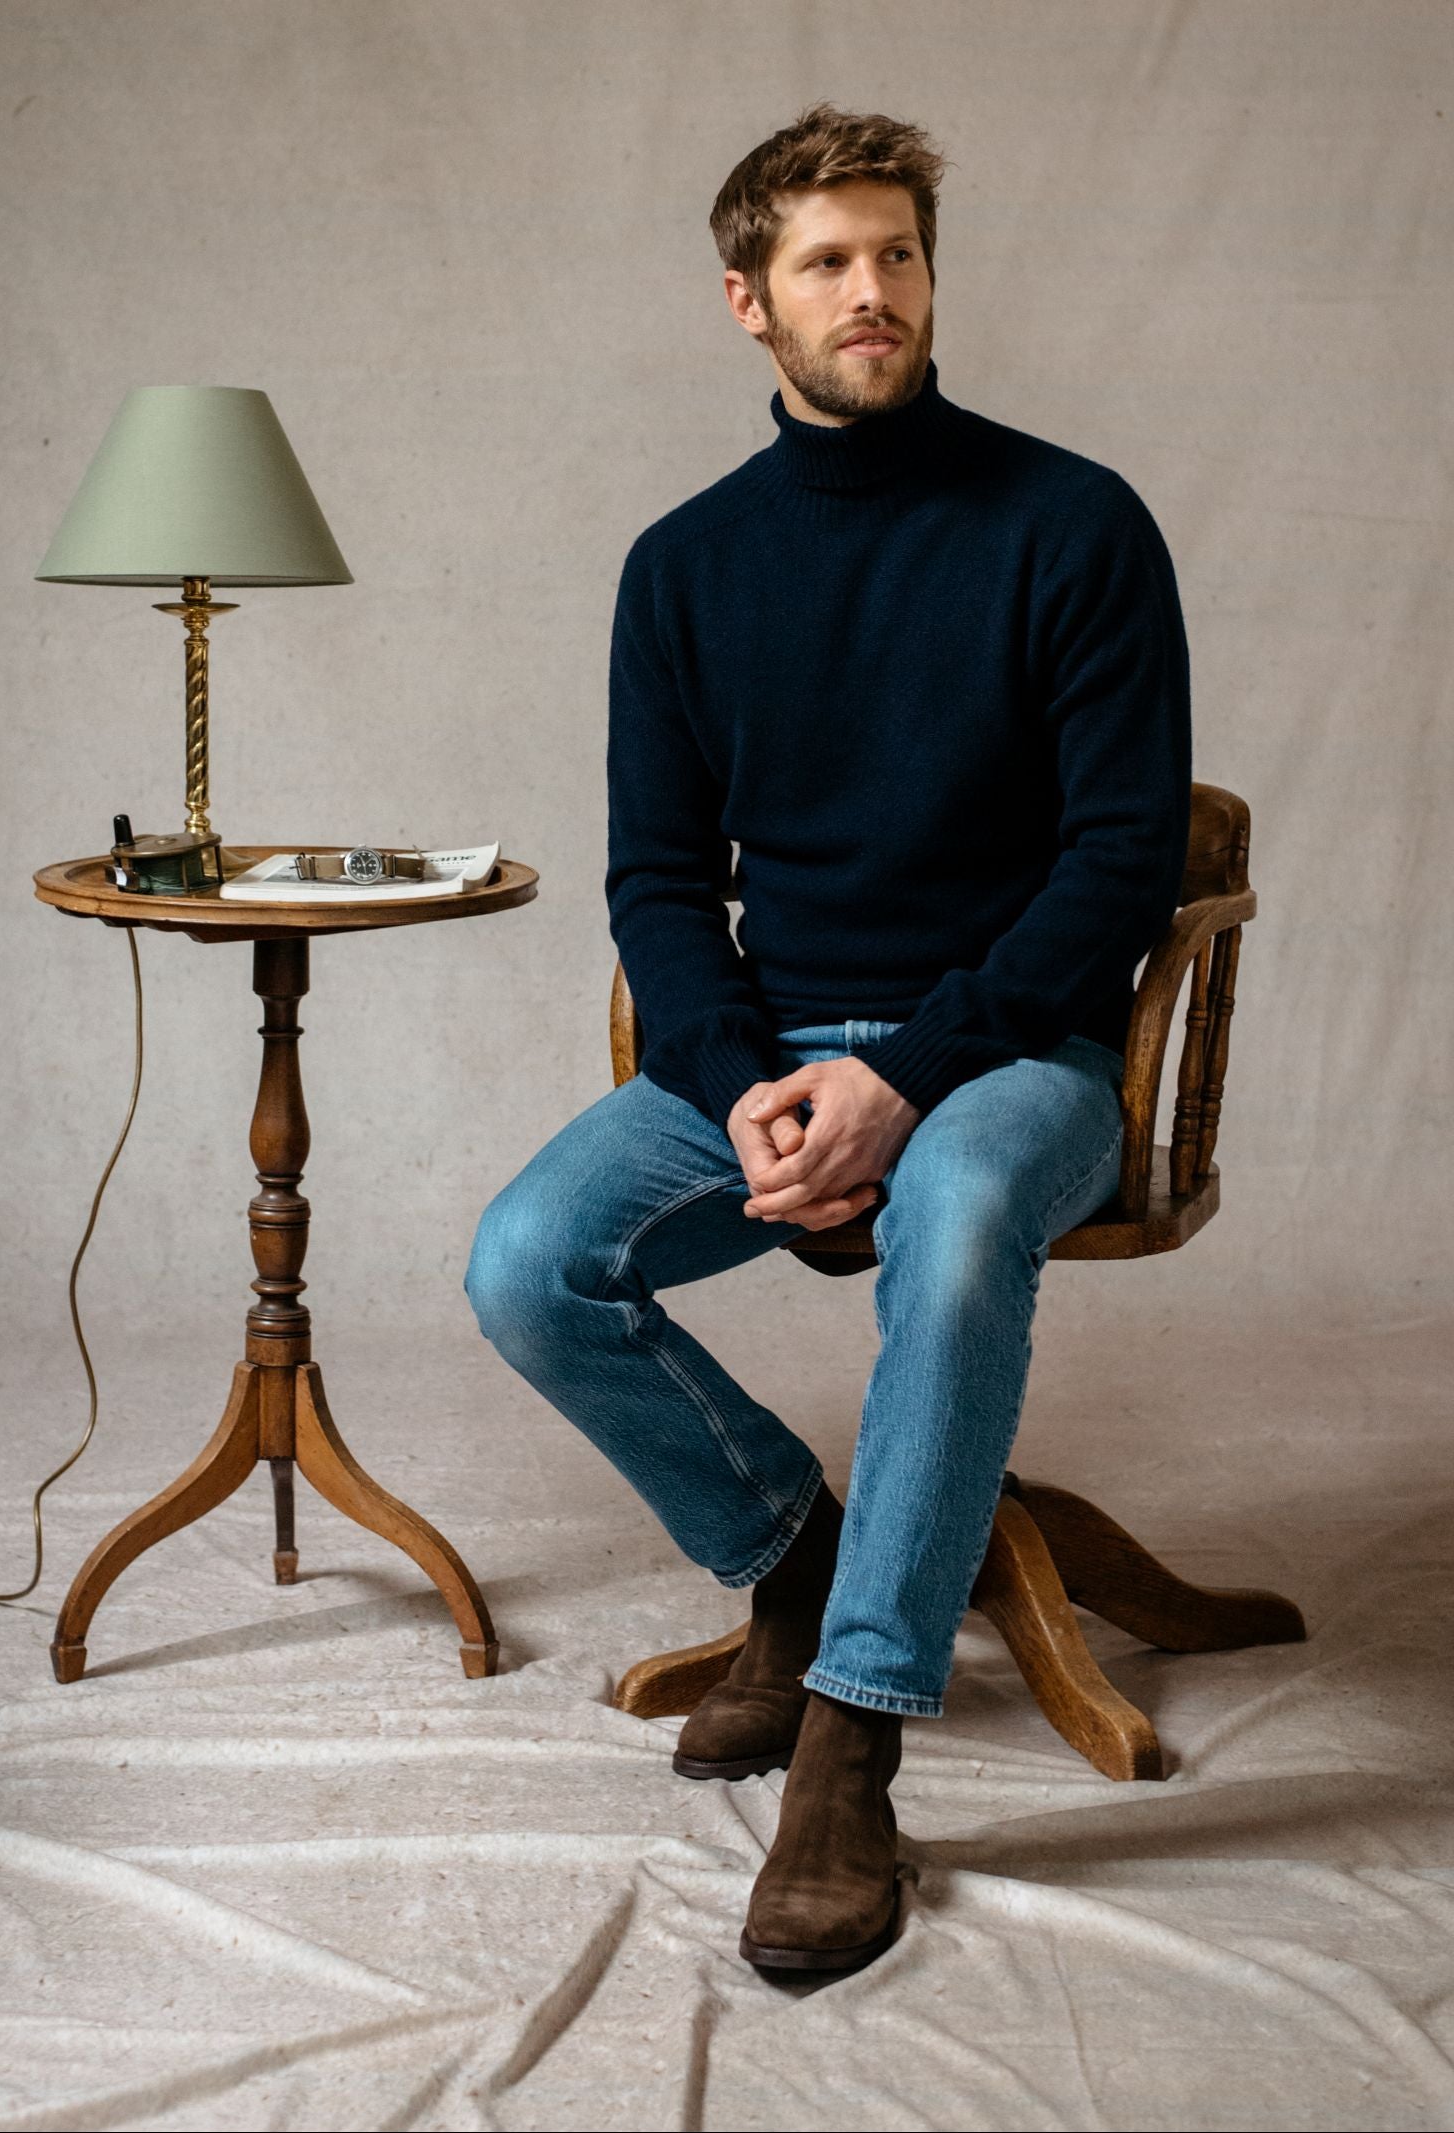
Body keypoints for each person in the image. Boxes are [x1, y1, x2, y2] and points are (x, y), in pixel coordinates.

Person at [464, 98, 1191, 1978]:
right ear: (750, 301)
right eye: (827, 262)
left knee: (955, 1221)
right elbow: (654, 881)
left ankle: (853, 1743)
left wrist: (906, 1078)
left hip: (1014, 1058)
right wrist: (743, 1086)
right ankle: (794, 1558)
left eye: (899, 254)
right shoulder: (683, 565)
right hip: (773, 1057)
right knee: (528, 1262)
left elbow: (1120, 861)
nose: (873, 291)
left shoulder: (1074, 523)